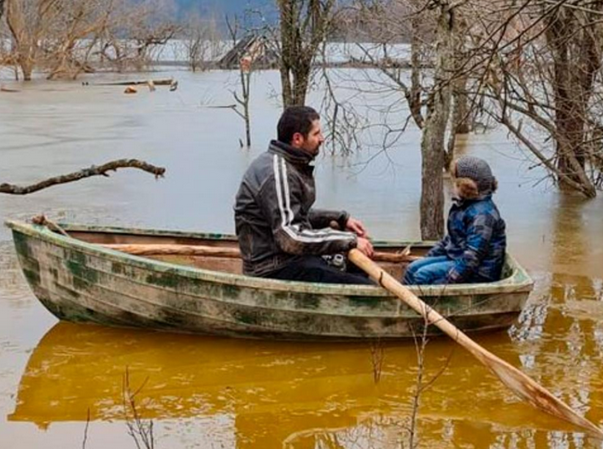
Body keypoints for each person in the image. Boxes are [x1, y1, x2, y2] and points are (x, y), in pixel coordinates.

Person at [234, 106, 374, 284]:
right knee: (365, 288)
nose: (322, 139)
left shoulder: (285, 164)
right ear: (298, 138)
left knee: (357, 267)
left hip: (289, 258)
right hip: (272, 268)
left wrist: (340, 218)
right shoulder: (278, 173)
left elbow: (294, 213)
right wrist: (349, 241)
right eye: (316, 134)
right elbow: (291, 237)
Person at [403, 156, 506, 285]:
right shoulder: (465, 206)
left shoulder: (482, 215)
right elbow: (452, 239)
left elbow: (473, 256)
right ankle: (404, 303)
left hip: (479, 272)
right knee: (412, 268)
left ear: (465, 186)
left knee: (422, 275)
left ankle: (423, 304)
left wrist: (447, 283)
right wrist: (429, 257)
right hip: (458, 258)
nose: (452, 186)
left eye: (455, 182)